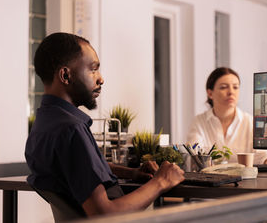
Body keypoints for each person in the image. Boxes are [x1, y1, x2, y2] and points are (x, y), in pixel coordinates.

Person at [25, 33, 185, 217]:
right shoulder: (71, 129)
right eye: (93, 69)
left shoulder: (45, 124)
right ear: (66, 75)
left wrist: (132, 173)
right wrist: (161, 181)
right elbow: (103, 213)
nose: (100, 79)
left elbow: (79, 167)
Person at [186, 67, 267, 164]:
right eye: (223, 87)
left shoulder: (250, 122)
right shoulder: (199, 122)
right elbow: (194, 158)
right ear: (210, 93)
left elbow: (265, 157)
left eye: (235, 87)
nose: (231, 92)